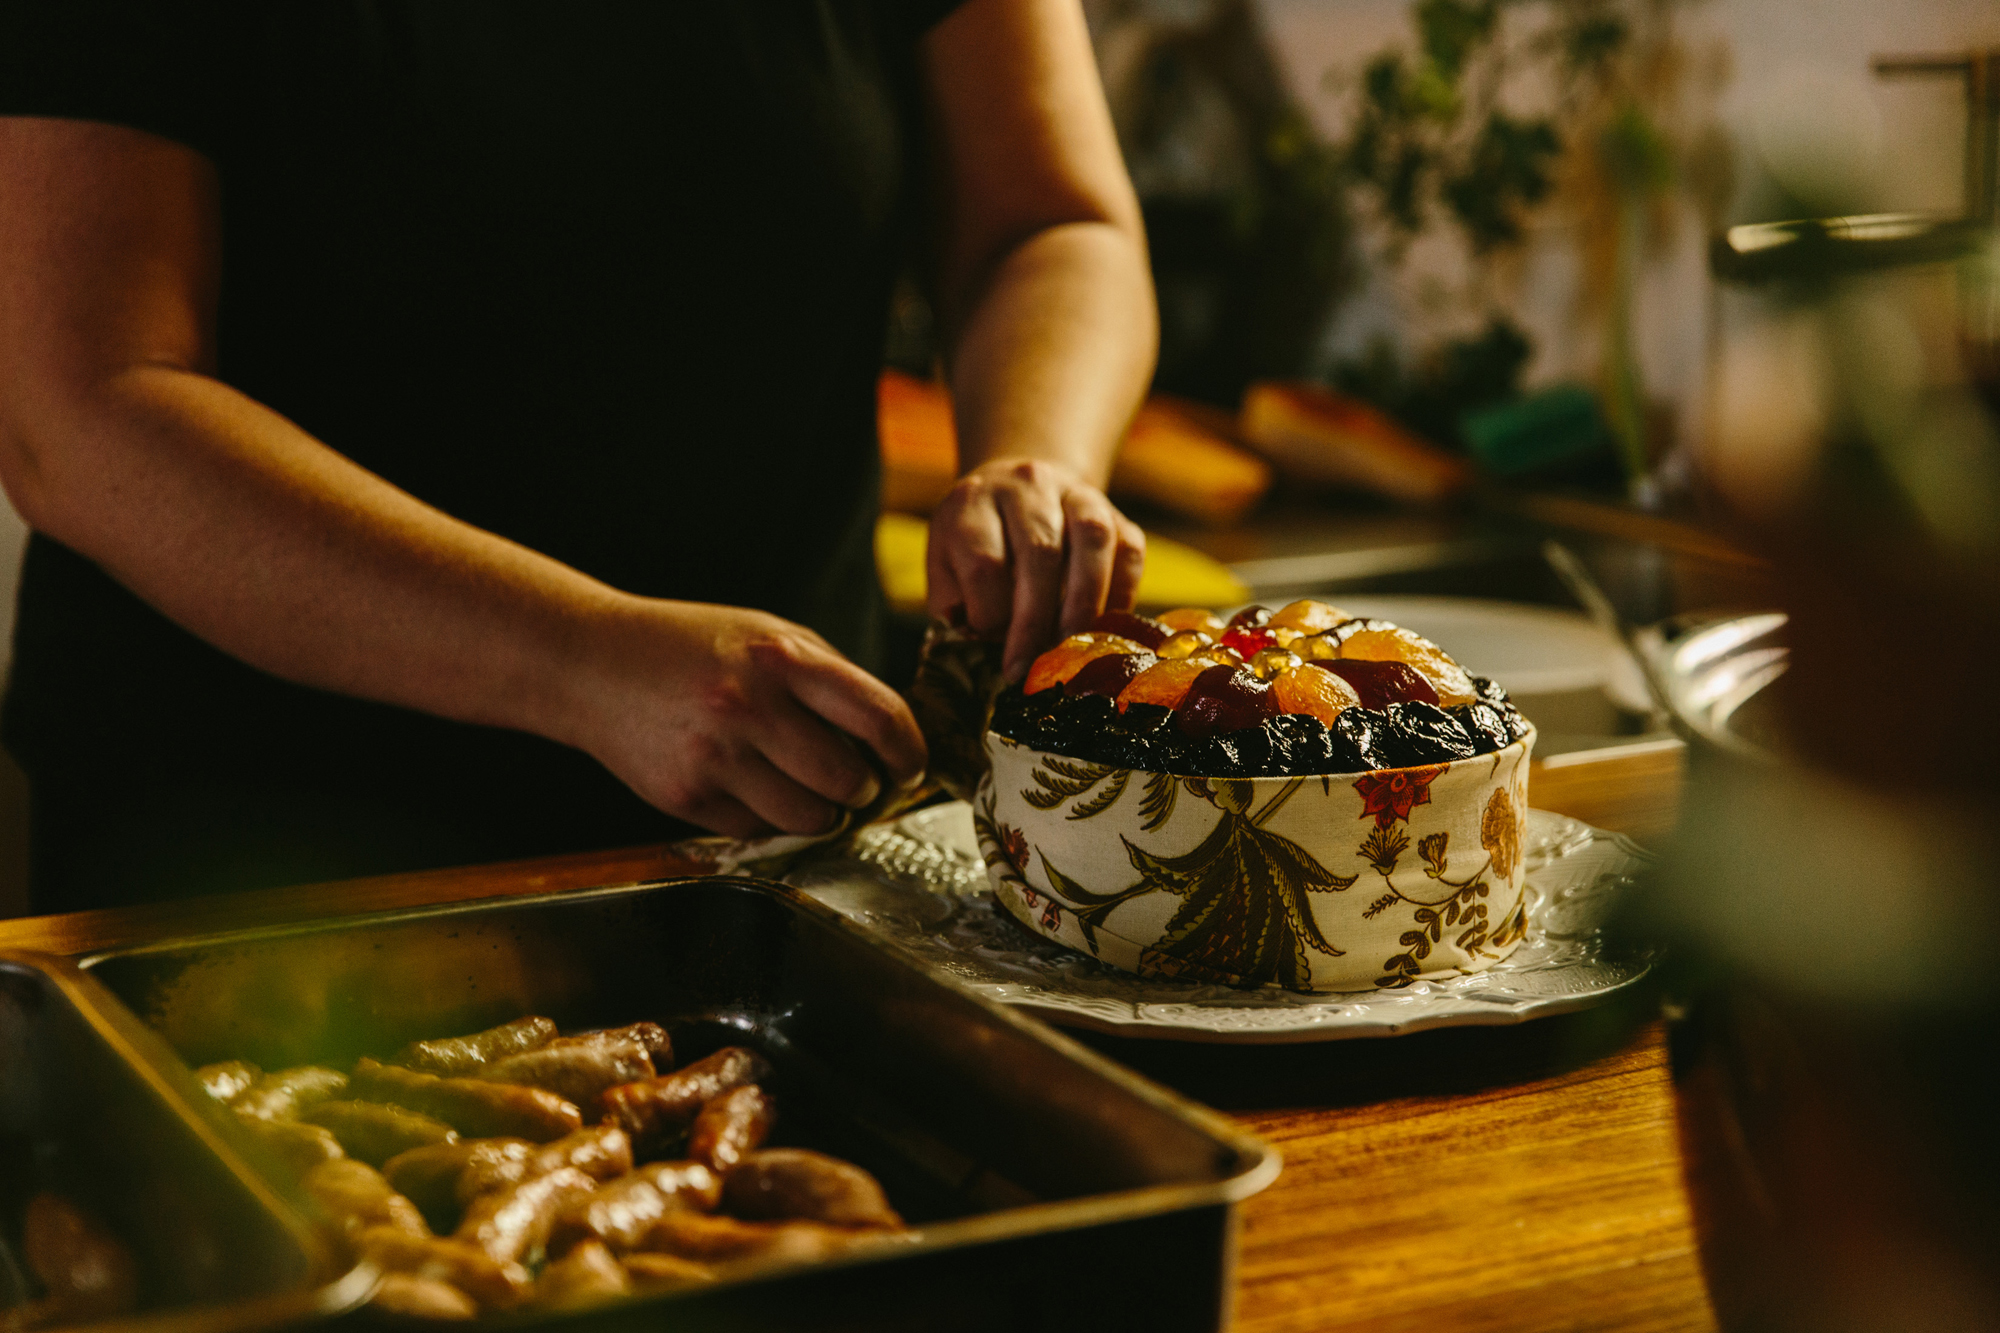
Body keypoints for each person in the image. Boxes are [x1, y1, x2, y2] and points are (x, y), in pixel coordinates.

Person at [0, 0, 1157, 912]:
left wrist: (1036, 459)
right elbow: (84, 404)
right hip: (262, 876)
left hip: (783, 854)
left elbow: (1047, 224)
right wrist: (579, 658)